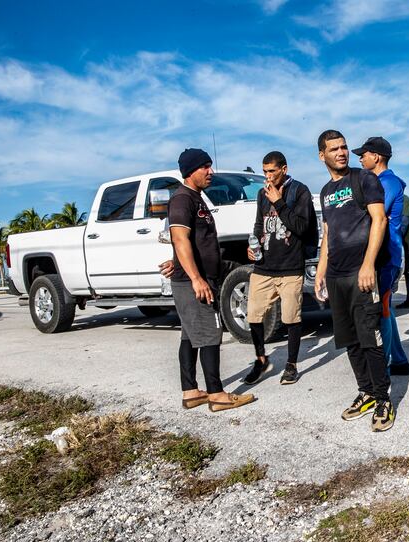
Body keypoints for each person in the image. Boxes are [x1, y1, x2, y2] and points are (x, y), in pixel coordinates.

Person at [314, 129, 395, 432]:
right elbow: (327, 234)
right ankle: (366, 393)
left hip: (361, 273)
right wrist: (321, 271)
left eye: (344, 147)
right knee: (349, 339)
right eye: (334, 149)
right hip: (336, 275)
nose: (341, 152)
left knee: (369, 337)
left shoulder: (364, 179)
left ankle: (383, 398)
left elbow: (380, 220)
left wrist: (368, 265)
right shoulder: (324, 192)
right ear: (322, 155)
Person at [169, 148, 255, 412]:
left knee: (190, 336)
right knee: (209, 334)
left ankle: (191, 391)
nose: (211, 171)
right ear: (190, 171)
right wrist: (196, 278)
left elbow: (191, 242)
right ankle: (217, 395)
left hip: (193, 277)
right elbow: (180, 238)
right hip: (195, 282)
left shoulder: (195, 198)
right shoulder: (183, 199)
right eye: (205, 166)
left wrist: (178, 263)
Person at [242, 151, 315, 386]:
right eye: (264, 172)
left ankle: (291, 364)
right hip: (264, 266)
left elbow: (302, 227)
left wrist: (279, 202)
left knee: (291, 317)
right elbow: (259, 224)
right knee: (252, 315)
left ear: (284, 169)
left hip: (290, 267)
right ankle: (261, 359)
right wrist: (253, 245)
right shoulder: (263, 193)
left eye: (272, 171)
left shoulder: (299, 191)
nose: (268, 176)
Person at [352, 136, 409, 376]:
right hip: (385, 255)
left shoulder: (386, 183)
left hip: (387, 255)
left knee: (382, 310)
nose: (360, 158)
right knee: (386, 306)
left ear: (376, 157)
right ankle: (398, 361)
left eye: (364, 154)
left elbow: (372, 215)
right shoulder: (382, 181)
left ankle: (383, 367)